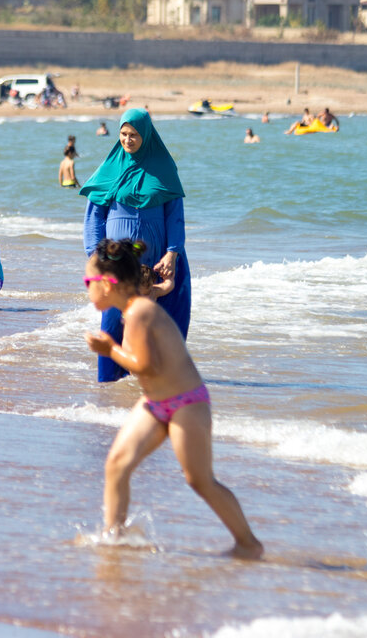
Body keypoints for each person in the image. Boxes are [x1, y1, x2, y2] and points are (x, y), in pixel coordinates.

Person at [84, 239, 263, 559]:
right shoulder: (131, 311)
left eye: (89, 282)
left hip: (187, 403)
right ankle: (114, 537)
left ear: (108, 284)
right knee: (116, 465)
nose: (87, 288)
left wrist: (109, 350)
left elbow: (144, 365)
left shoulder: (140, 312)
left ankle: (249, 544)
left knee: (200, 480)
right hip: (155, 403)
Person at [80, 108, 191, 382]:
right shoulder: (109, 169)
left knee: (161, 325)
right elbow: (94, 217)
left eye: (134, 135)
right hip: (120, 263)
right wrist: (97, 257)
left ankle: (158, 383)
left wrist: (172, 253)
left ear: (147, 135)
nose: (128, 140)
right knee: (114, 323)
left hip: (158, 260)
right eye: (124, 134)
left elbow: (175, 217)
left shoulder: (164, 169)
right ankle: (110, 387)